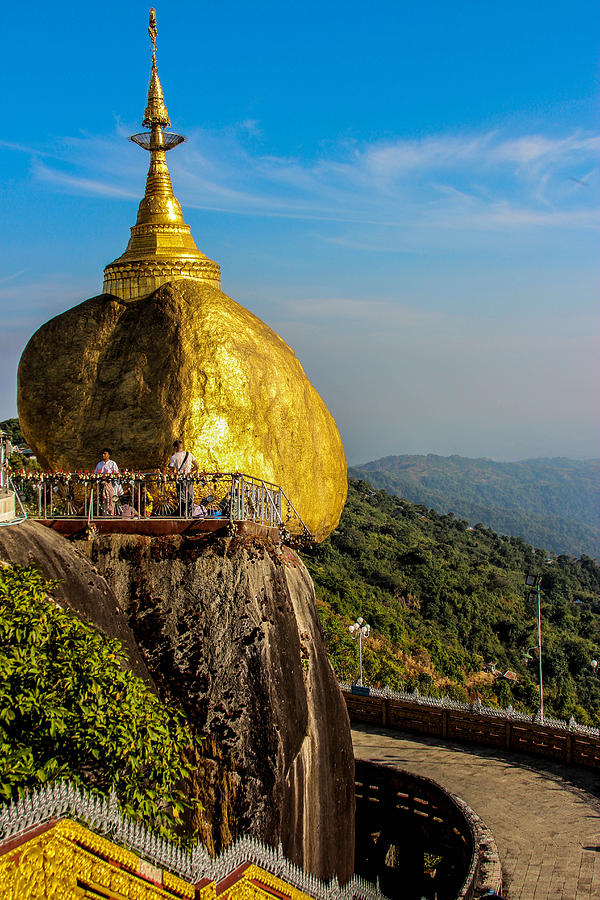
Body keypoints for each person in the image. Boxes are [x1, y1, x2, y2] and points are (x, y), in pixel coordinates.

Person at [168, 440, 199, 516]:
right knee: (190, 495)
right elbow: (197, 466)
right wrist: (191, 470)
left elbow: (171, 469)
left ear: (175, 447)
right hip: (189, 477)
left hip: (180, 478)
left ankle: (183, 514)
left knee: (182, 496)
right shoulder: (189, 454)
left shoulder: (174, 457)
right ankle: (190, 513)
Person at [95, 448, 119, 516]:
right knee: (103, 500)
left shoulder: (113, 463)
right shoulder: (99, 464)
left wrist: (108, 477)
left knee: (111, 499)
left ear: (109, 455)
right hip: (102, 485)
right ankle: (103, 514)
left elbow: (116, 474)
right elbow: (96, 473)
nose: (103, 455)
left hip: (110, 484)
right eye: (102, 454)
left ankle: (111, 514)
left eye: (105, 454)